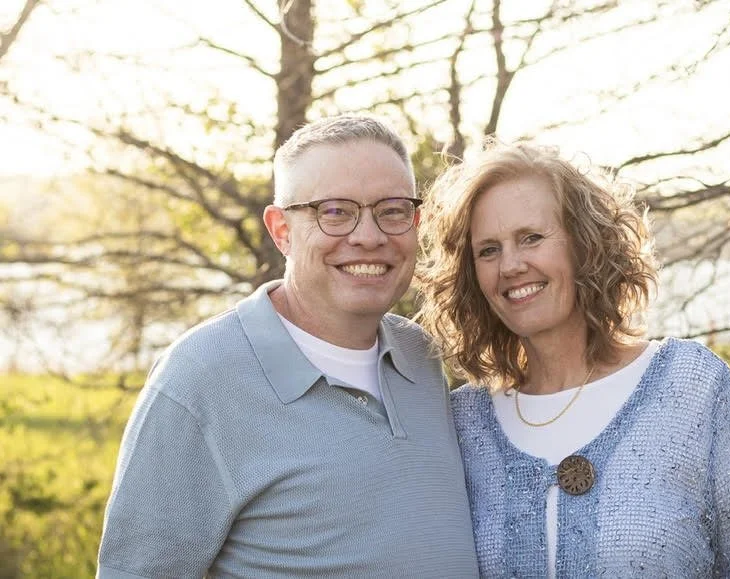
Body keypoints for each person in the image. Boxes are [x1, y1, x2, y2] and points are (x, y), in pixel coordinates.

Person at [97, 115, 479, 578]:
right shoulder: (201, 379)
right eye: (335, 211)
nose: (369, 236)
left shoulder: (422, 357)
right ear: (281, 230)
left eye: (392, 210)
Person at [417, 140, 730, 577]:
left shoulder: (692, 389)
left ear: (583, 243)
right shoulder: (464, 423)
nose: (511, 265)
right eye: (489, 250)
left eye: (531, 237)